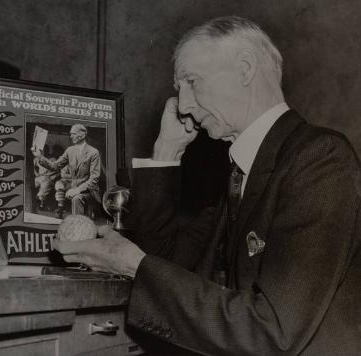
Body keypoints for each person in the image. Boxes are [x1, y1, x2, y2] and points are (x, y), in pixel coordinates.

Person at [53, 16, 361, 355]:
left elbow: (273, 333)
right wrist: (166, 152)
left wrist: (131, 264)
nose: (183, 105)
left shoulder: (319, 159)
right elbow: (165, 266)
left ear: (245, 69)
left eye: (191, 81)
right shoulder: (242, 172)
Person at [32, 124, 101, 219]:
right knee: (63, 188)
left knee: (77, 199)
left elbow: (94, 179)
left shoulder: (93, 152)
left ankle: (79, 225)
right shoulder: (70, 151)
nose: (71, 136)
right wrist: (40, 156)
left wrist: (77, 190)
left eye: (74, 134)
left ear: (83, 135)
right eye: (70, 134)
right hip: (73, 187)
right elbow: (54, 166)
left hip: (88, 190)